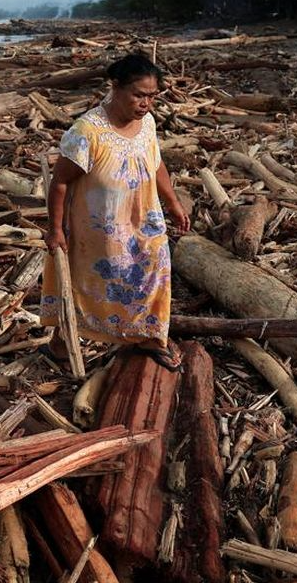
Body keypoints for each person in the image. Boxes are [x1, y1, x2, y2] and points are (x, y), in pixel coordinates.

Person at [39, 54, 190, 371]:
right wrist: (55, 229)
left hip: (145, 220)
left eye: (152, 95)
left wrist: (173, 203)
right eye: (138, 95)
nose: (146, 103)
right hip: (100, 228)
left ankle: (150, 336)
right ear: (115, 87)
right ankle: (62, 342)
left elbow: (156, 162)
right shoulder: (87, 132)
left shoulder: (146, 123)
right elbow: (61, 182)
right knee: (87, 284)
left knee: (155, 270)